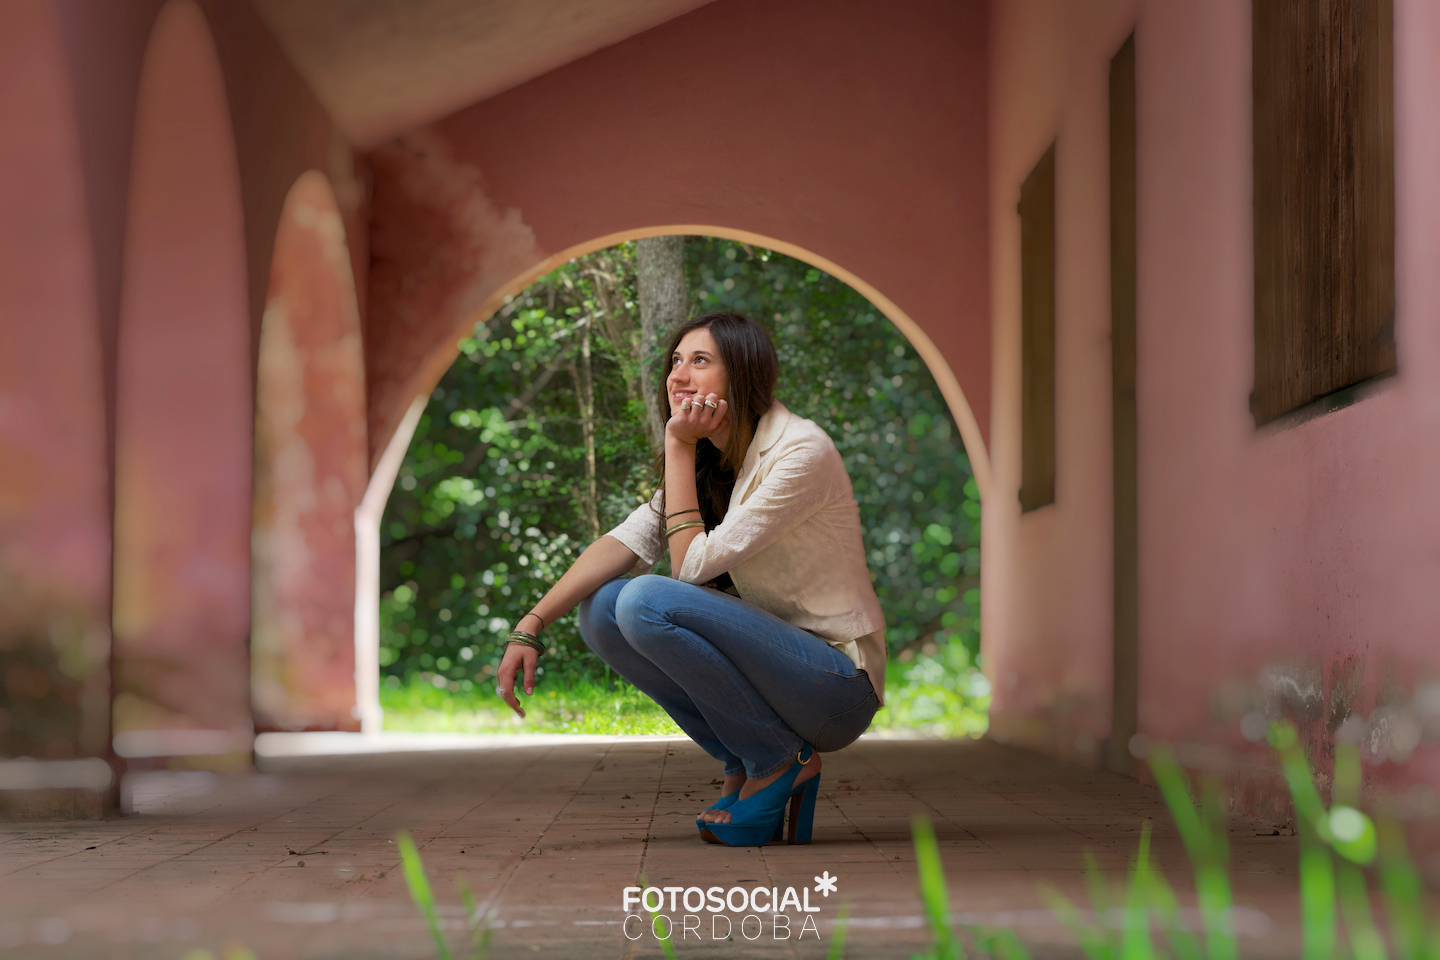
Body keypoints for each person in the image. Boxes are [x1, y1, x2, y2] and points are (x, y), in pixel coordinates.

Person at [495, 311, 887, 846]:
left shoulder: (800, 451)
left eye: (699, 361)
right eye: (675, 362)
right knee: (602, 609)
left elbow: (689, 568)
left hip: (832, 688)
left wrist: (677, 445)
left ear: (742, 373)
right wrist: (531, 623)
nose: (677, 377)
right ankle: (746, 756)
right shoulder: (712, 460)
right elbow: (625, 540)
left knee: (644, 600)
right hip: (774, 677)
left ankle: (778, 761)